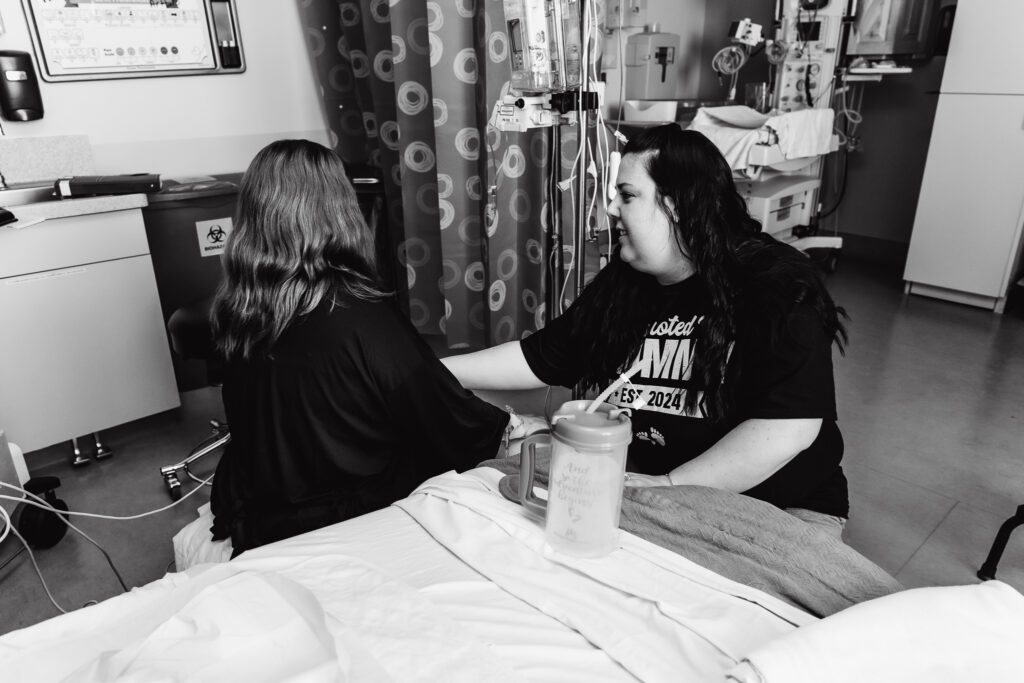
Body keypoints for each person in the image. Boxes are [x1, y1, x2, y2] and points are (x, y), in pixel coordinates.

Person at [442, 125, 850, 536]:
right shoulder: (626, 280)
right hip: (655, 492)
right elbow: (541, 357)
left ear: (677, 204)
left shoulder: (776, 285)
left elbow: (788, 428)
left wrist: (670, 486)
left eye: (628, 194)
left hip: (775, 507)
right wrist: (433, 371)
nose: (612, 208)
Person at [208, 139, 517, 554]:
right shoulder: (358, 313)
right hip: (337, 514)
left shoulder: (236, 309)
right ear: (339, 207)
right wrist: (510, 426)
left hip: (263, 503)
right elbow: (442, 415)